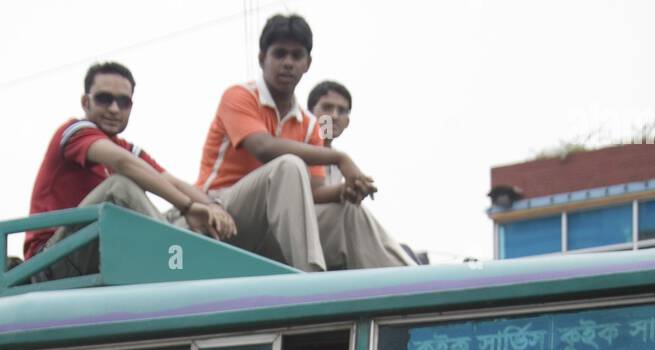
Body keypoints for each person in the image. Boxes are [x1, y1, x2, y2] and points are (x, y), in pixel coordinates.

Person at [196, 13, 413, 272]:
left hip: (275, 229)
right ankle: (312, 282)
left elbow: (314, 192)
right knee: (288, 166)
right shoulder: (240, 96)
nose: (288, 63)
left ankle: (418, 288)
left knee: (348, 212)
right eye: (279, 54)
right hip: (220, 213)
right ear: (262, 58)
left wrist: (344, 191)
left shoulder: (309, 124)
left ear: (308, 63)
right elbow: (263, 148)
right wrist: (339, 158)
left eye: (296, 56)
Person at [25, 61, 236, 277]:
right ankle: (183, 266)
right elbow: (123, 164)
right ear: (86, 102)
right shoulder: (74, 132)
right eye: (104, 99)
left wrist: (212, 207)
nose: (114, 109)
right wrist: (188, 207)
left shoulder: (125, 147)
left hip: (99, 249)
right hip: (49, 261)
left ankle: (208, 257)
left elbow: (171, 181)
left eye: (123, 102)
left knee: (182, 214)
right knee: (119, 187)